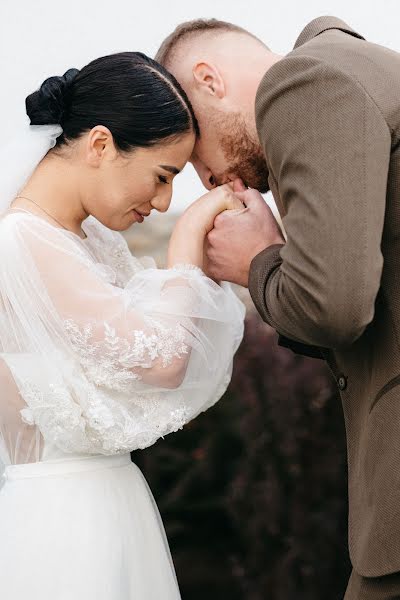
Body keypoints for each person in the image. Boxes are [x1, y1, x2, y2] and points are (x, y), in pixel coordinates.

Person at [156, 16, 400, 599]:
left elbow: (333, 307)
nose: (208, 177)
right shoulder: (362, 67)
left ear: (209, 79)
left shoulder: (301, 85)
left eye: (194, 155)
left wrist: (260, 263)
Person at [0, 51, 245, 599]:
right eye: (162, 177)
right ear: (102, 144)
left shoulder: (92, 240)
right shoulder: (23, 240)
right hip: (63, 523)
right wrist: (187, 246)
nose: (162, 204)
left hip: (110, 505)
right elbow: (161, 361)